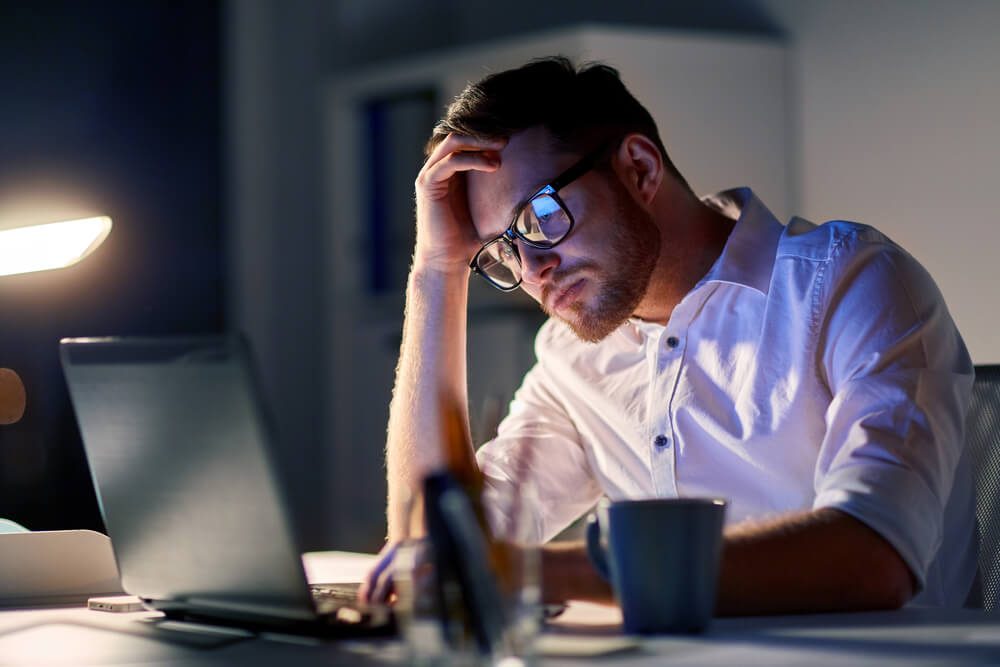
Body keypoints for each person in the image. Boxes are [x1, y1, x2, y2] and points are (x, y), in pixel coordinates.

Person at [360, 56, 977, 614]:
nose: (532, 271)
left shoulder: (852, 283)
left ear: (638, 168)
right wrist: (436, 269)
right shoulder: (572, 358)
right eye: (503, 251)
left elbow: (873, 557)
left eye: (540, 216)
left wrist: (533, 574)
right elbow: (435, 549)